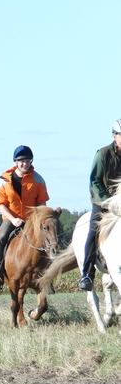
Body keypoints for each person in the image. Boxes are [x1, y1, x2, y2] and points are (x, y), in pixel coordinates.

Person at [0, 145, 50, 290]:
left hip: (32, 220)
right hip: (12, 219)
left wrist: (37, 219)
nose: (25, 164)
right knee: (1, 238)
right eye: (21, 161)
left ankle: (48, 277)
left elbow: (42, 203)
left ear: (31, 161)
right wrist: (13, 219)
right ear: (16, 162)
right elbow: (0, 204)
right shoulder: (4, 180)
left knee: (48, 239)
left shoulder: (38, 179)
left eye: (27, 161)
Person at [78, 119, 121, 291]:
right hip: (103, 201)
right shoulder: (103, 154)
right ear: (114, 136)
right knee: (93, 230)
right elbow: (94, 180)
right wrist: (106, 202)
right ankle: (87, 274)